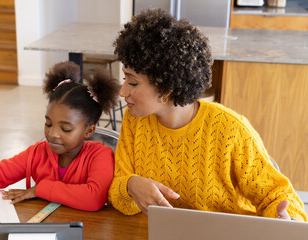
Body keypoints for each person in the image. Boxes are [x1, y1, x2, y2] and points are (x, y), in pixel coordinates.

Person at [108, 9, 307, 221]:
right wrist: (130, 185)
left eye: (133, 82)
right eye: (124, 78)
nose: (122, 91)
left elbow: (278, 195)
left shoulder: (231, 130)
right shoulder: (135, 120)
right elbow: (121, 201)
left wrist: (288, 221)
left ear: (166, 88)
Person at [0, 61, 120, 213]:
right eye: (48, 124)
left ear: (89, 131)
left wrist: (39, 189)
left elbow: (94, 198)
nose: (52, 134)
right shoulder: (38, 153)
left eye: (66, 129)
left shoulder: (101, 155)